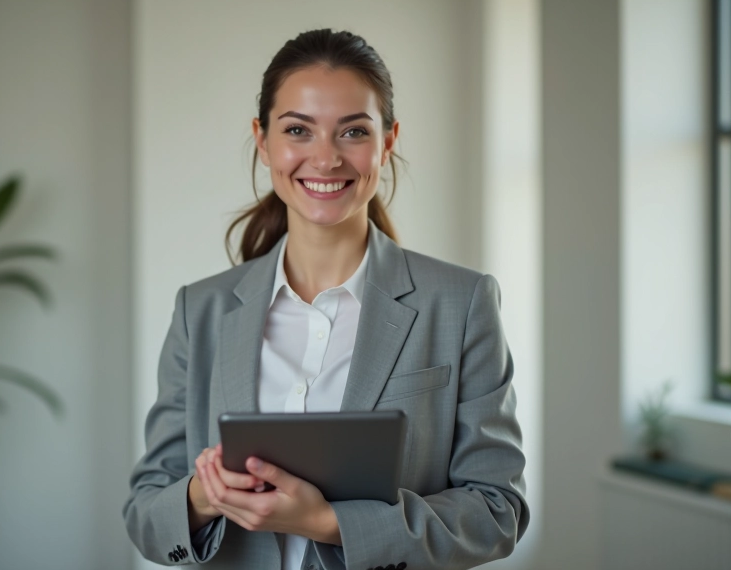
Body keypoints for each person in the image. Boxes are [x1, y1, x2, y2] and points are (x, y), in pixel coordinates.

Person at [123, 28, 528, 570]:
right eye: (298, 130)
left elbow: (497, 511)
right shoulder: (201, 313)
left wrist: (327, 524)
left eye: (353, 132)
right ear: (263, 140)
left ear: (388, 141)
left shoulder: (461, 303)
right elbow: (147, 513)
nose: (326, 158)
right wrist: (203, 496)